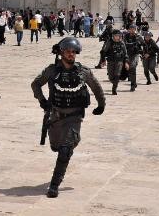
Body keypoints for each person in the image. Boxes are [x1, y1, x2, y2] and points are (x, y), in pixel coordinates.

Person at [31, 37, 105, 198]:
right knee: (56, 147)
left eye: (73, 52)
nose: (71, 55)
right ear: (61, 53)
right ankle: (66, 147)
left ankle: (54, 185)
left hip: (75, 116)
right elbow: (35, 84)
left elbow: (96, 87)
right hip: (56, 116)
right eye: (67, 52)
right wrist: (42, 101)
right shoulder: (52, 71)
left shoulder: (83, 72)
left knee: (65, 149)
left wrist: (101, 105)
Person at [104, 29, 128, 95]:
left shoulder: (122, 43)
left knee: (117, 75)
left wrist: (126, 62)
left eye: (118, 35)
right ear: (113, 36)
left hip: (119, 61)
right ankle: (114, 83)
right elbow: (104, 51)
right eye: (116, 35)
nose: (117, 37)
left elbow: (125, 53)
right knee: (111, 77)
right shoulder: (109, 42)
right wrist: (103, 60)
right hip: (110, 61)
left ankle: (114, 89)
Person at [122, 25, 144, 92]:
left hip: (135, 54)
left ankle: (132, 85)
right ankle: (134, 83)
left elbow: (144, 44)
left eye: (133, 29)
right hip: (128, 54)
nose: (132, 30)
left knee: (133, 68)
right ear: (128, 30)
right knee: (129, 70)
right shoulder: (126, 36)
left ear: (135, 29)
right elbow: (123, 44)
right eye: (130, 29)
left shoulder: (138, 36)